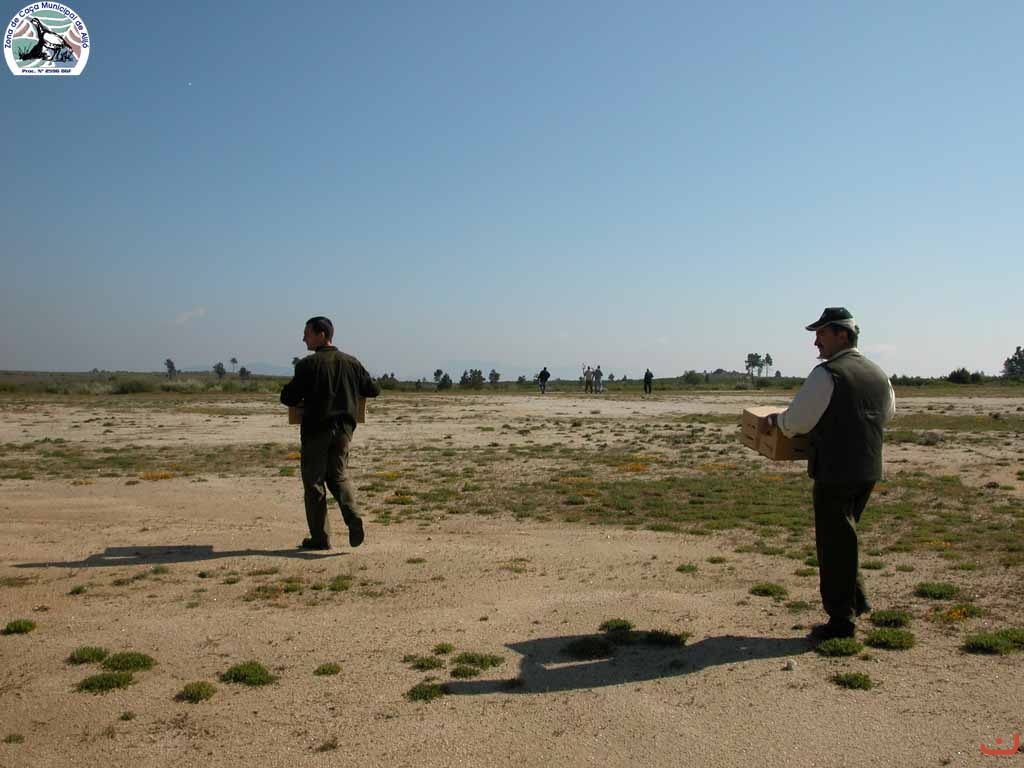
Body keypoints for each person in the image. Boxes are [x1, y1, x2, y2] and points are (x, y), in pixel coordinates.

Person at [759, 308, 894, 640]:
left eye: (821, 334)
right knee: (844, 537)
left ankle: (841, 621)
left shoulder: (827, 374)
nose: (816, 342)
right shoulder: (878, 373)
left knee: (833, 545)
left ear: (841, 335)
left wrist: (776, 421)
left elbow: (796, 422)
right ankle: (856, 601)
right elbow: (887, 413)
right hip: (868, 469)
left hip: (835, 470)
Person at [280, 316, 381, 550]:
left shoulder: (307, 365)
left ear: (321, 335)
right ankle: (353, 517)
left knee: (314, 482)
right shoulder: (352, 363)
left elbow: (289, 397)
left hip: (316, 429)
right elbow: (373, 389)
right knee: (338, 476)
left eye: (307, 333)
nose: (303, 338)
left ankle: (320, 538)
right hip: (344, 430)